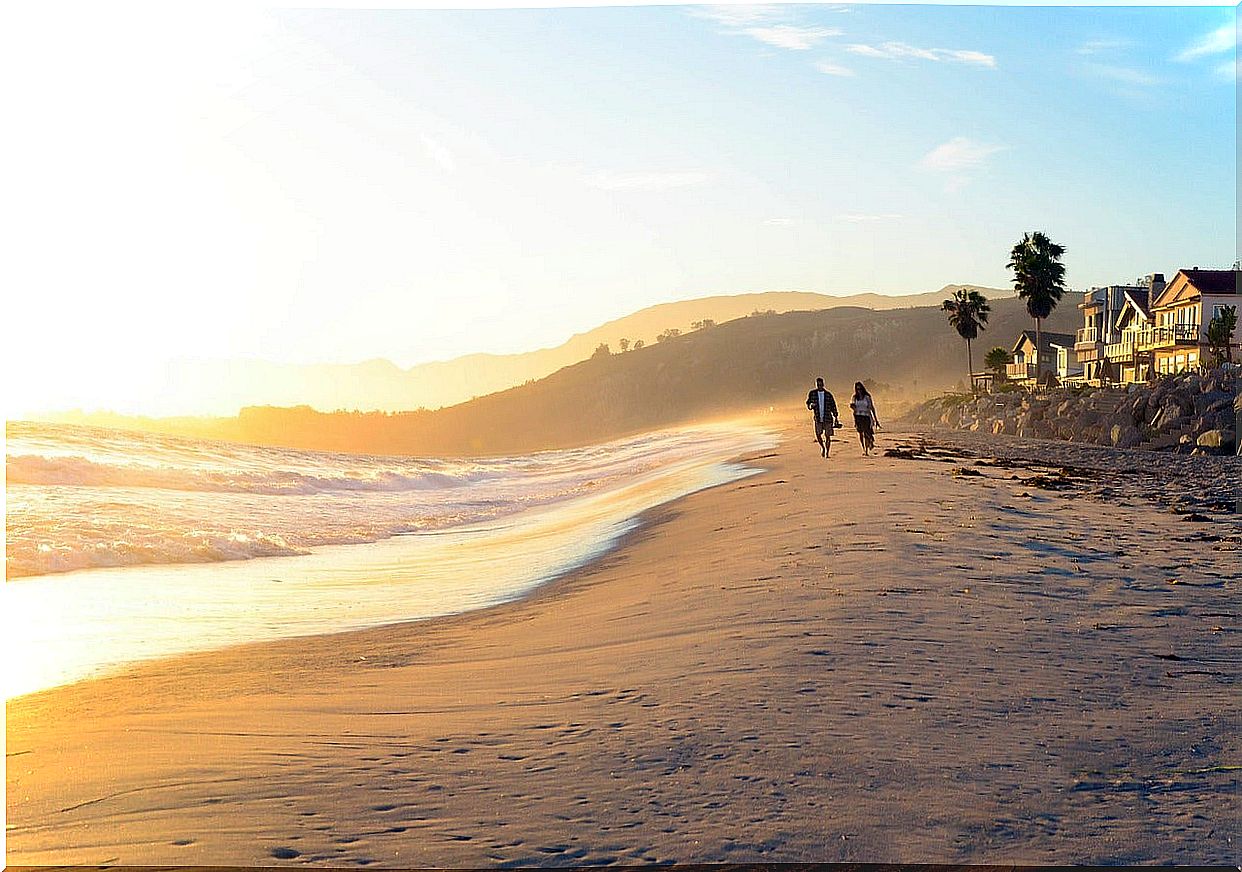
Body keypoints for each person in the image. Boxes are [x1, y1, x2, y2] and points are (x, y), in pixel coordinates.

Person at [805, 377, 840, 458]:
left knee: (828, 436)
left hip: (828, 418)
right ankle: (823, 447)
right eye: (818, 384)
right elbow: (808, 403)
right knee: (818, 434)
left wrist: (836, 416)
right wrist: (811, 406)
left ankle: (827, 452)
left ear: (823, 384)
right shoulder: (812, 393)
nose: (819, 386)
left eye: (820, 384)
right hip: (818, 418)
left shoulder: (828, 394)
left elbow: (833, 406)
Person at [849, 381, 880, 455]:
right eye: (857, 389)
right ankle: (864, 448)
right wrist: (853, 407)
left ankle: (867, 448)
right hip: (858, 416)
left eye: (860, 389)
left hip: (866, 416)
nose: (859, 391)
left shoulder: (867, 397)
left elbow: (872, 407)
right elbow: (851, 405)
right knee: (860, 433)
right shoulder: (855, 397)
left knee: (867, 433)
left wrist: (875, 419)